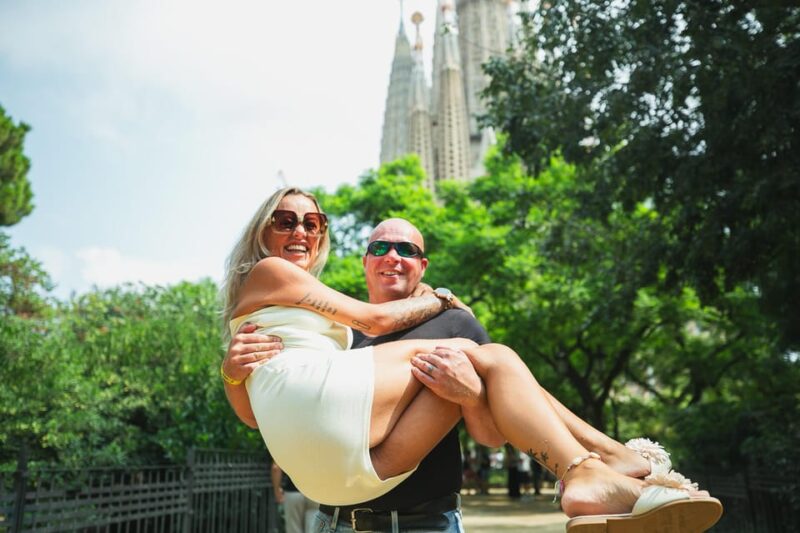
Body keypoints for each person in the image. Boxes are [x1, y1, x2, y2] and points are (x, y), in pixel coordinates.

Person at [220, 187, 722, 532]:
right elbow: (261, 416)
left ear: (422, 262)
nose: (302, 231)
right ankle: (600, 464)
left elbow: (491, 433)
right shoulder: (336, 328)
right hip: (338, 512)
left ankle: (596, 467)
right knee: (480, 355)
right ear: (364, 257)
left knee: (480, 358)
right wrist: (231, 373)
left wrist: (471, 394)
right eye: (381, 246)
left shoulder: (447, 325)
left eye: (313, 222)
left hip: (397, 493)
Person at [271, 463, 318, 533]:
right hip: (315, 494)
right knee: (313, 529)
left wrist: (276, 490)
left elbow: (276, 468)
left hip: (293, 493)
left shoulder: (287, 451)